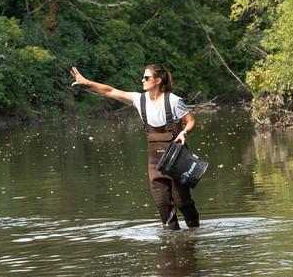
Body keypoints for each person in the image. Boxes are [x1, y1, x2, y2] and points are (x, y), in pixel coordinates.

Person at [70, 64, 200, 230]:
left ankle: (195, 234)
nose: (142, 80)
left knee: (182, 202)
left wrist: (184, 133)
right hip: (155, 164)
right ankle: (171, 246)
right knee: (164, 210)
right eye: (143, 77)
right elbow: (110, 91)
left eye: (147, 78)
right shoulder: (140, 100)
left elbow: (191, 122)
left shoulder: (174, 101)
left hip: (177, 161)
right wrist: (86, 82)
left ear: (158, 80)